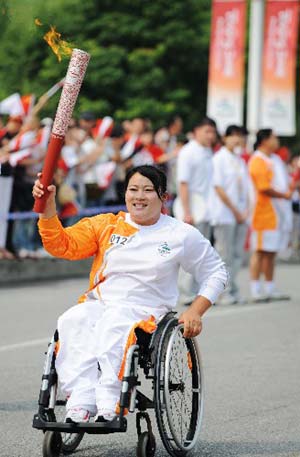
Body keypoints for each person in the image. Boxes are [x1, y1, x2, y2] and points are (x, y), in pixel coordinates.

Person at [32, 165, 228, 424]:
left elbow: (216, 272)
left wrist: (195, 310)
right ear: (125, 194)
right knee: (72, 319)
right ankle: (80, 401)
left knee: (115, 326)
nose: (139, 196)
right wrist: (47, 206)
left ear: (163, 197)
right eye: (133, 189)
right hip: (101, 303)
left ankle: (110, 403)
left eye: (148, 190)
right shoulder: (106, 225)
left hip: (145, 311)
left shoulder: (180, 234)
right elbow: (61, 245)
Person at [175, 117, 217, 306]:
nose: (211, 136)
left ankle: (198, 291)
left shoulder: (208, 151)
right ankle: (184, 292)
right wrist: (187, 211)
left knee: (202, 253)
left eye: (213, 132)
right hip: (191, 208)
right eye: (207, 131)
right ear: (197, 130)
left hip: (207, 209)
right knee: (189, 253)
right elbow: (183, 183)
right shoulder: (188, 152)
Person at [248, 129, 293, 301]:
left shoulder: (274, 159)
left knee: (271, 252)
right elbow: (263, 187)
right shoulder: (258, 160)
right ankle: (255, 289)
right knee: (260, 251)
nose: (277, 140)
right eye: (274, 138)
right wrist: (284, 195)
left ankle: (270, 287)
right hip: (262, 213)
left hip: (276, 214)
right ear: (264, 140)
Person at [210, 125, 250, 304]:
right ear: (225, 138)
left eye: (240, 136)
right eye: (233, 136)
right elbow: (218, 187)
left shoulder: (240, 160)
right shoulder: (219, 158)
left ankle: (232, 289)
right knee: (224, 255)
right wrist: (235, 211)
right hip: (225, 214)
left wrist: (246, 210)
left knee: (236, 255)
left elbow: (246, 188)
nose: (237, 139)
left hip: (241, 214)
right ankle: (220, 293)